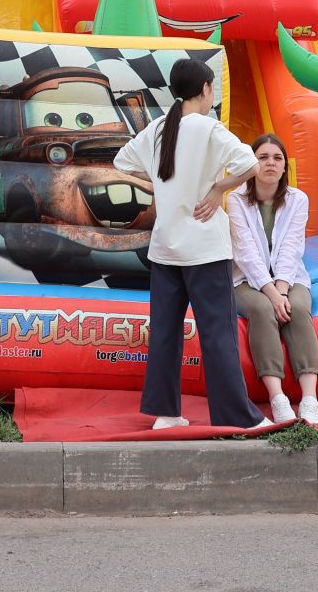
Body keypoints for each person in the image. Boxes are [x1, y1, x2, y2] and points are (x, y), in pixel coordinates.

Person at [113, 58, 267, 431]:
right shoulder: (209, 128)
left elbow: (122, 161)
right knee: (218, 335)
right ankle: (236, 417)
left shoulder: (157, 129)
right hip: (205, 250)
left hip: (166, 249)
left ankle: (166, 415)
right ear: (205, 89)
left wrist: (161, 186)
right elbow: (250, 163)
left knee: (165, 333)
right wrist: (217, 190)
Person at [227, 134, 318, 425]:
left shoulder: (297, 199)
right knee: (262, 309)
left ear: (284, 167)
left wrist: (282, 289)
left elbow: (293, 248)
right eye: (263, 157)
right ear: (252, 164)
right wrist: (271, 294)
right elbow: (245, 252)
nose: (270, 163)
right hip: (245, 279)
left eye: (277, 158)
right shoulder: (236, 199)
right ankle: (277, 397)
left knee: (299, 309)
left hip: (289, 277)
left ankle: (309, 398)